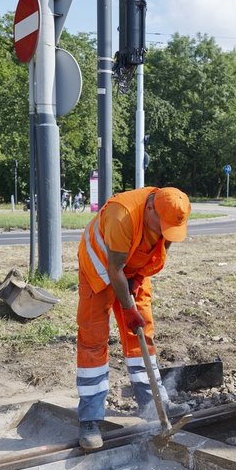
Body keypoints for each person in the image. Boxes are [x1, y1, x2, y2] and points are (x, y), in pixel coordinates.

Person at [75, 186, 192, 449]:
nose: (165, 233)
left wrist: (137, 281)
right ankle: (90, 419)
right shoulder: (122, 214)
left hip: (132, 268)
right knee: (93, 340)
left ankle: (152, 403)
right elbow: (114, 269)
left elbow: (157, 253)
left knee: (142, 332)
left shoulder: (171, 212)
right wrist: (128, 308)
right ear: (150, 208)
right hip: (100, 270)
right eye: (162, 226)